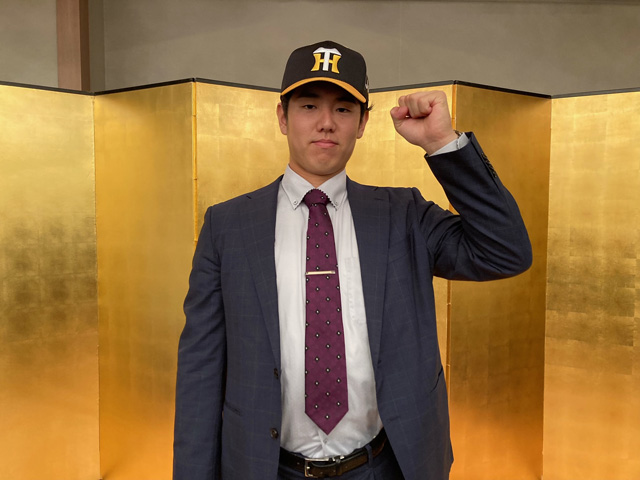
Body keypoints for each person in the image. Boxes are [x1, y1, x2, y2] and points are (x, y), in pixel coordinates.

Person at [173, 40, 531, 480]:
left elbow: (505, 251)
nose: (326, 122)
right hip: (266, 467)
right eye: (309, 106)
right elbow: (201, 369)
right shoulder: (228, 226)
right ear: (282, 117)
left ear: (362, 123)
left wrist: (442, 143)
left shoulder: (404, 215)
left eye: (343, 109)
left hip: (387, 465)